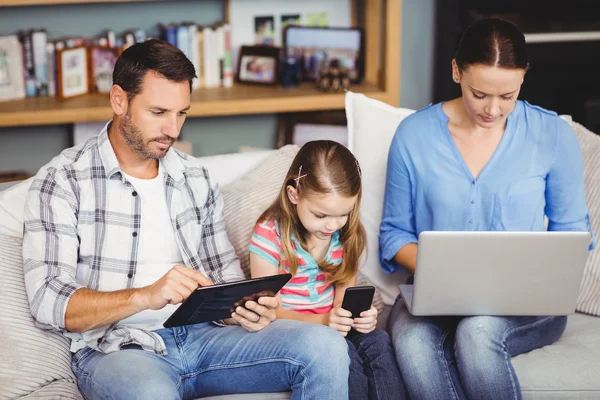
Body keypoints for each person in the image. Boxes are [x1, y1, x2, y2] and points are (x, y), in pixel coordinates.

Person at [22, 39, 349, 400]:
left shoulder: (196, 177)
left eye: (181, 113)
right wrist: (146, 296)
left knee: (325, 345)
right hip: (118, 349)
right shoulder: (63, 180)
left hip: (206, 337)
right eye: (158, 112)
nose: (173, 130)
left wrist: (246, 309)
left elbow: (225, 276)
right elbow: (49, 302)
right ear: (119, 100)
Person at [380, 18, 595, 400]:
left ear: (523, 78)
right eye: (479, 94)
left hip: (527, 303)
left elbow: (572, 235)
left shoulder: (553, 136)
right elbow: (394, 234)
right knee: (413, 345)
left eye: (507, 96)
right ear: (456, 71)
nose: (493, 110)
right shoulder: (413, 135)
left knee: (477, 331)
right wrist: (447, 269)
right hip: (434, 296)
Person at [250, 140, 405, 400]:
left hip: (333, 325)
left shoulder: (346, 235)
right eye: (321, 215)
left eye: (343, 214)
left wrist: (357, 317)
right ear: (294, 194)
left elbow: (344, 293)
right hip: (290, 329)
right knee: (346, 361)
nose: (332, 225)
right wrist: (323, 322)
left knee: (378, 342)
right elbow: (267, 310)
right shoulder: (270, 234)